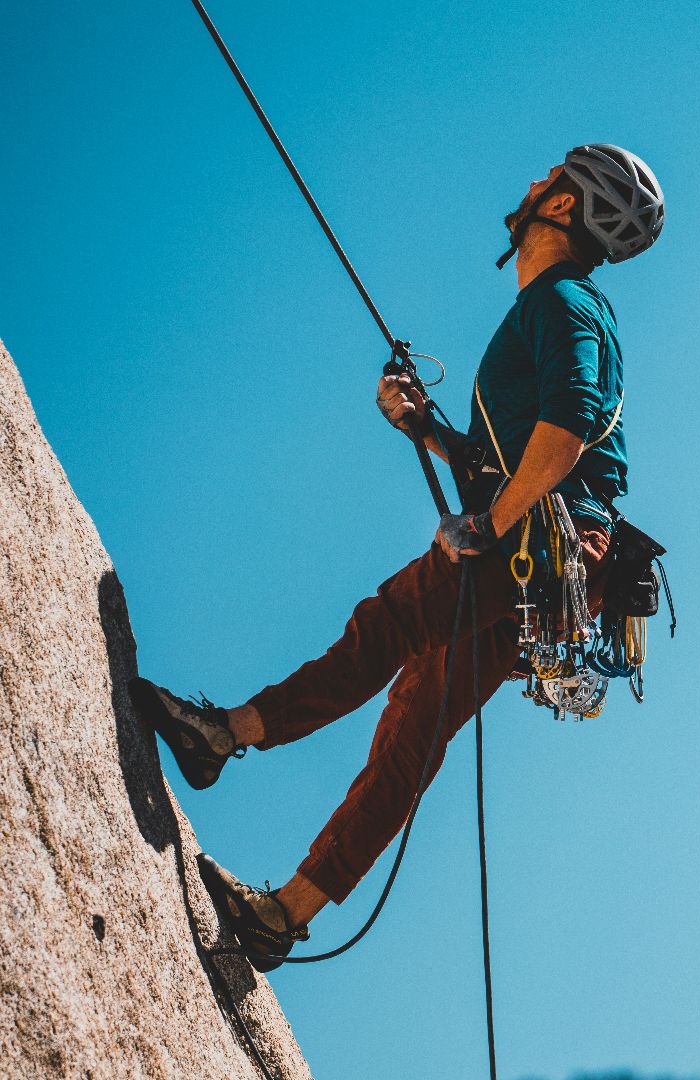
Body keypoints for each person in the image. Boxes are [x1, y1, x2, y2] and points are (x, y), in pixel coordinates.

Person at [132, 144, 665, 971]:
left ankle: (218, 736)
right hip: (562, 574)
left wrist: (489, 525)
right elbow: (529, 450)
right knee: (413, 727)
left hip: (534, 546)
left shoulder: (563, 303)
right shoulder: (557, 306)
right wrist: (426, 429)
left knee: (382, 630)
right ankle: (285, 915)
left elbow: (565, 431)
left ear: (562, 207)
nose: (529, 183)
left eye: (546, 179)